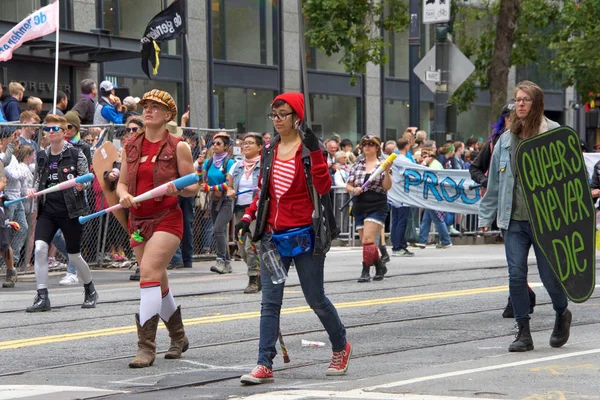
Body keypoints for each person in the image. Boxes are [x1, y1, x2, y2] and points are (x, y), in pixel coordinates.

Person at [237, 92, 350, 384]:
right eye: (273, 115)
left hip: (306, 237)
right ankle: (264, 363)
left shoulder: (309, 149)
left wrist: (315, 152)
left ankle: (340, 345)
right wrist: (248, 217)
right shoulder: (269, 150)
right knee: (269, 302)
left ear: (297, 117)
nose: (276, 121)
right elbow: (265, 193)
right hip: (274, 240)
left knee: (316, 299)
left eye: (282, 115)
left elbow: (324, 188)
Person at [479, 80, 571, 352]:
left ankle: (562, 312)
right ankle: (523, 331)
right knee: (516, 275)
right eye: (517, 99)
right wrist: (486, 216)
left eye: (525, 100)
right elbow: (495, 184)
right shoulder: (505, 140)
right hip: (514, 221)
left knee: (550, 277)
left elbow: (568, 179)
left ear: (537, 104)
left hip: (546, 221)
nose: (519, 104)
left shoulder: (554, 134)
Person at [116, 90, 197, 368]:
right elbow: (122, 183)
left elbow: (193, 187)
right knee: (158, 282)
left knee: (148, 274)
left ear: (168, 115)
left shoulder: (178, 146)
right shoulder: (130, 146)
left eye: (155, 107)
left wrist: (180, 186)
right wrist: (124, 194)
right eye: (145, 106)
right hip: (138, 222)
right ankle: (179, 336)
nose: (148, 110)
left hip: (167, 218)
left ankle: (145, 347)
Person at [25, 114, 98, 312]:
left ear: (64, 132)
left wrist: (82, 185)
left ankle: (90, 288)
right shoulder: (42, 155)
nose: (50, 132)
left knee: (74, 256)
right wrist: (32, 191)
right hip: (48, 211)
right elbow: (38, 183)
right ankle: (42, 296)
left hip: (71, 210)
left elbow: (87, 179)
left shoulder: (76, 153)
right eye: (47, 129)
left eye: (54, 129)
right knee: (40, 248)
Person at [346, 135, 391, 282]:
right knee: (366, 241)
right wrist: (354, 190)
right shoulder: (357, 166)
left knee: (367, 239)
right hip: (360, 204)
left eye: (371, 144)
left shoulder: (382, 165)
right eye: (364, 144)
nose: (367, 146)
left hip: (377, 204)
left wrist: (387, 172)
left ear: (377, 147)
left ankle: (365, 270)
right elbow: (348, 185)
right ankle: (379, 265)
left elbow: (386, 187)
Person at [227, 132, 262, 293]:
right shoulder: (237, 166)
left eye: (251, 143)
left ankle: (254, 278)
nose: (246, 146)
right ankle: (259, 275)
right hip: (239, 210)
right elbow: (230, 186)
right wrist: (230, 191)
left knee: (252, 246)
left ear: (260, 147)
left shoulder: (264, 165)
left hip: (255, 211)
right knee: (241, 246)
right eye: (244, 143)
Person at [202, 131, 235, 274]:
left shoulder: (230, 163)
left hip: (227, 201)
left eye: (218, 143)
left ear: (226, 147)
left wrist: (210, 188)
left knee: (217, 229)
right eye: (213, 143)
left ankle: (221, 260)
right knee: (218, 232)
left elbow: (229, 184)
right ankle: (226, 263)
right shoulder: (209, 162)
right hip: (214, 201)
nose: (214, 146)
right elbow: (199, 178)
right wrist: (198, 164)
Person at [3, 145, 34, 286]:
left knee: (22, 229)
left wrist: (22, 170)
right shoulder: (4, 158)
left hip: (16, 198)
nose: (15, 145)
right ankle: (7, 265)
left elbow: (15, 177)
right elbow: (13, 175)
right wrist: (24, 169)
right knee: (4, 235)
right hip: (9, 198)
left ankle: (11, 264)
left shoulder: (12, 158)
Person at [416, 148, 452, 249]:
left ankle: (446, 241)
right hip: (432, 195)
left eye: (425, 156)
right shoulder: (434, 163)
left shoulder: (434, 165)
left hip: (434, 195)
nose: (423, 158)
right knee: (426, 219)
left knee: (437, 219)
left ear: (430, 157)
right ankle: (422, 240)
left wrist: (423, 163)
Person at [388, 138, 415, 257]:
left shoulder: (394, 159)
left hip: (394, 194)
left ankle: (398, 245)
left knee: (396, 221)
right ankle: (398, 246)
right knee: (401, 221)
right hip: (403, 194)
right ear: (407, 146)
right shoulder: (405, 160)